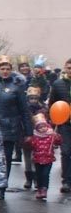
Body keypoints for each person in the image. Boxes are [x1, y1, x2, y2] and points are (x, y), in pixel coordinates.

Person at [0, 56, 31, 199]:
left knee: (5, 159)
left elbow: (24, 110)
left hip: (9, 128)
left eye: (8, 69)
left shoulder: (17, 85)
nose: (5, 71)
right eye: (2, 69)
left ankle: (1, 187)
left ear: (11, 70)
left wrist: (28, 131)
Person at [26, 113, 61, 201]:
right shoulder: (35, 136)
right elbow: (31, 146)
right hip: (37, 159)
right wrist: (29, 141)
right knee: (39, 175)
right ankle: (39, 189)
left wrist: (57, 136)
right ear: (37, 129)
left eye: (44, 127)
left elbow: (58, 142)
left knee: (45, 174)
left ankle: (44, 189)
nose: (43, 129)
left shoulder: (50, 135)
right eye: (40, 128)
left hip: (48, 159)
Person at [48, 58, 71, 193]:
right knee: (66, 152)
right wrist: (53, 121)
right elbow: (52, 103)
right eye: (69, 68)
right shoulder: (58, 84)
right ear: (65, 69)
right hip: (65, 123)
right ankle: (66, 181)